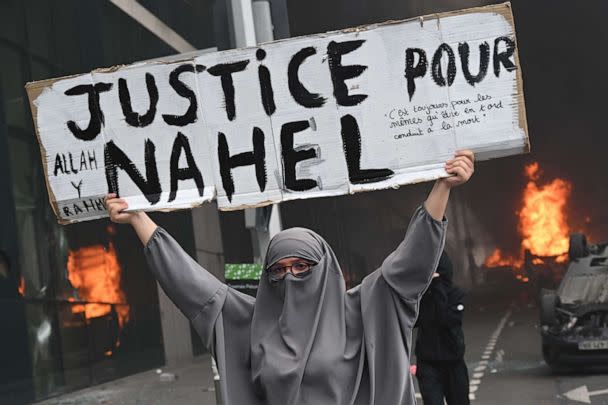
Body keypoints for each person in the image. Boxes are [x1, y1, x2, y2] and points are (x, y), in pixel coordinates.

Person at [105, 150, 475, 405]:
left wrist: (443, 185)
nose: (291, 277)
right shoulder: (249, 321)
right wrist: (138, 219)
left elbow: (412, 260)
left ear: (325, 268)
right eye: (279, 270)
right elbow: (187, 283)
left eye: (302, 267)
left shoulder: (367, 305)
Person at [414, 252, 470, 405]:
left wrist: (437, 286)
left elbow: (447, 319)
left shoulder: (456, 295)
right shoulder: (421, 297)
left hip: (453, 362)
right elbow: (414, 321)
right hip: (428, 363)